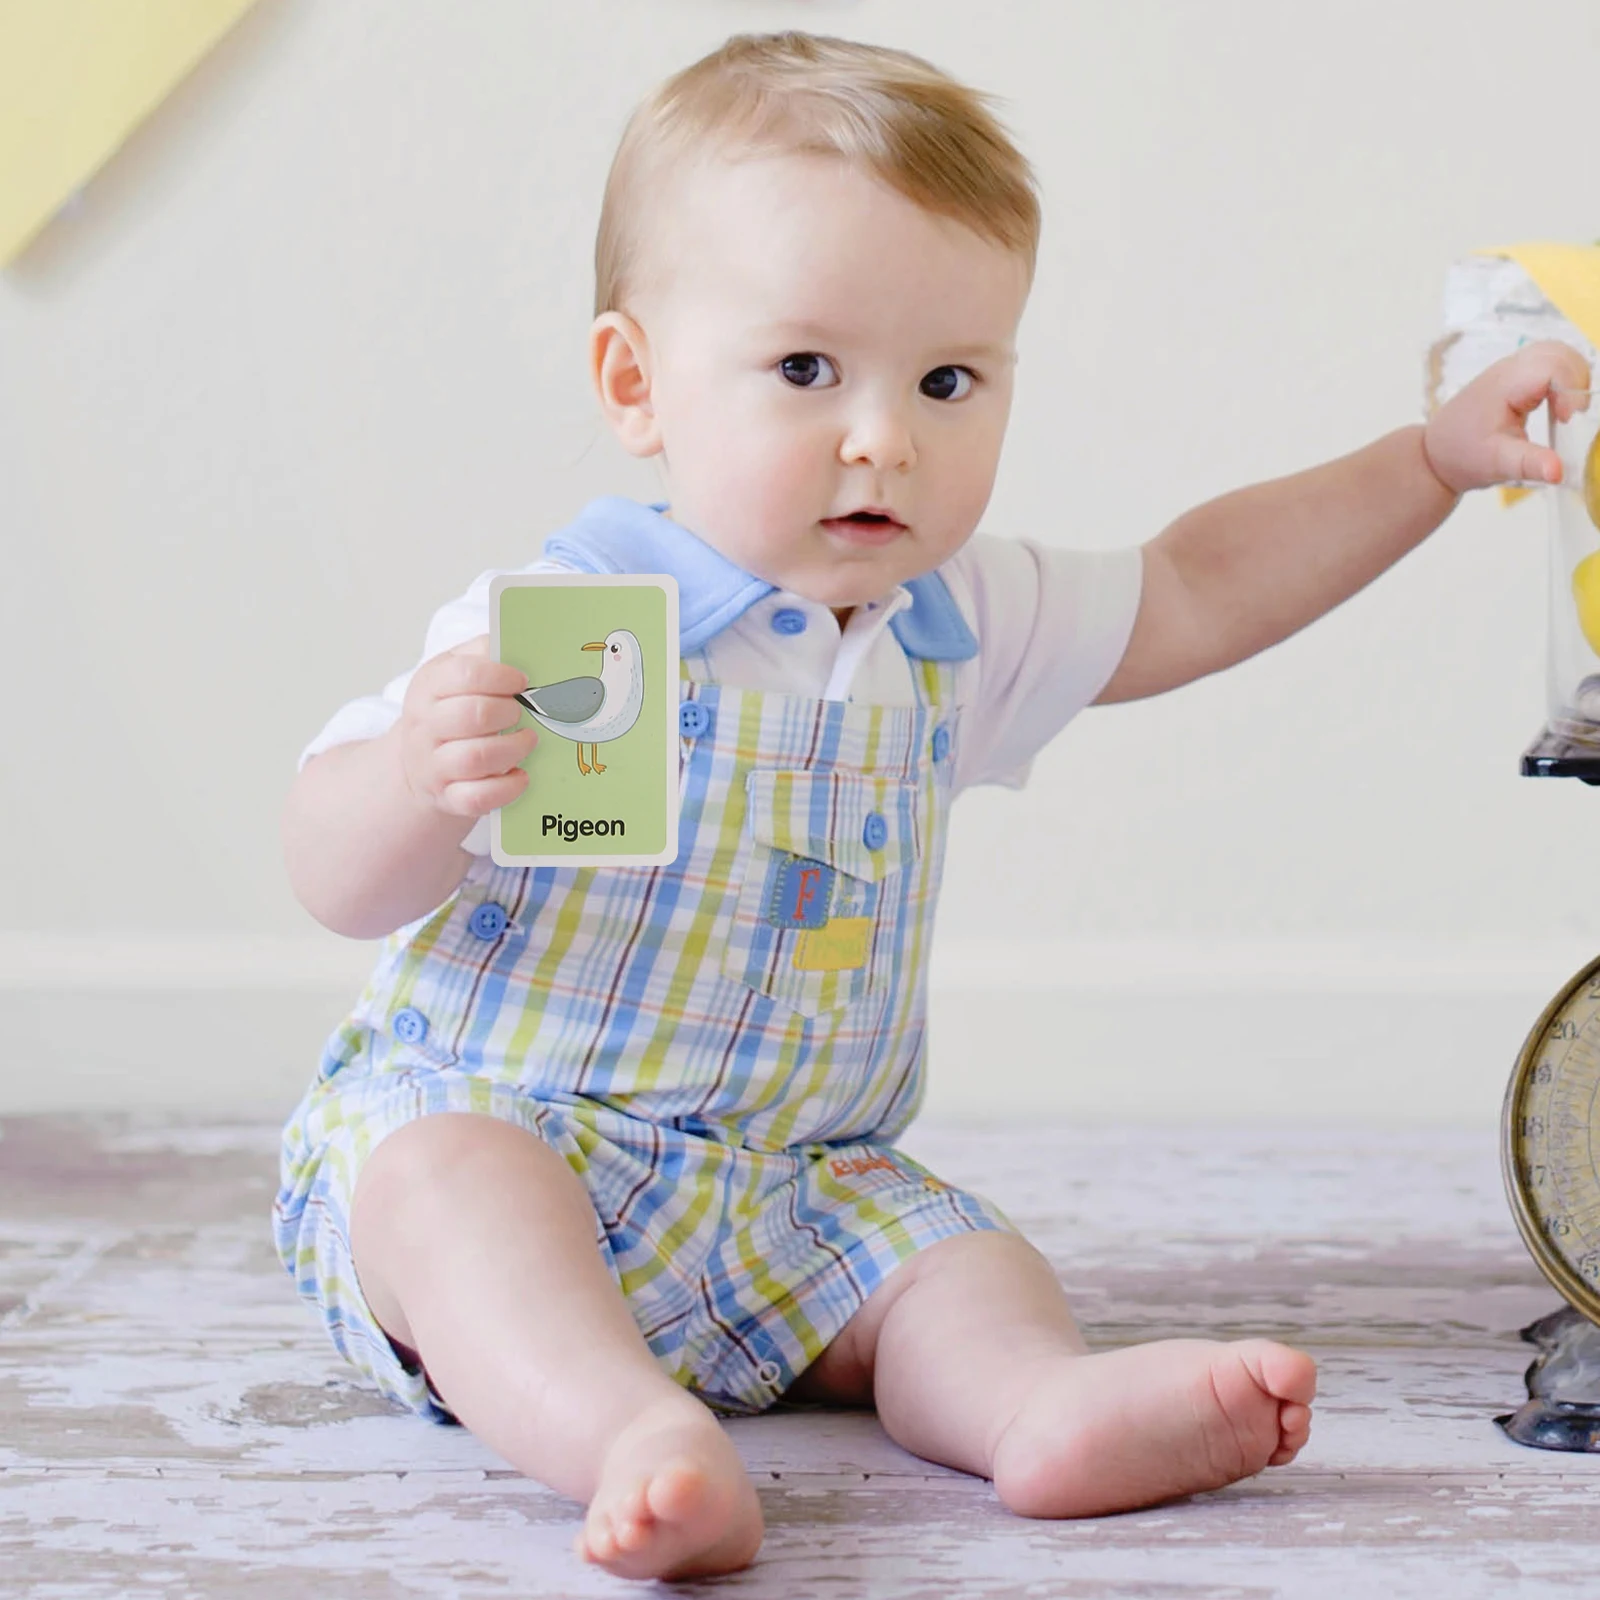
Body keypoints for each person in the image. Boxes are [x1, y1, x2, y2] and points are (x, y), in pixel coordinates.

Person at [273, 29, 1589, 1583]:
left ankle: (1034, 1408)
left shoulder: (947, 624)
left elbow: (1198, 582)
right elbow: (332, 873)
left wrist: (1429, 462)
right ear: (638, 382)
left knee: (953, 1261)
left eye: (948, 379)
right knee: (447, 1193)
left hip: (793, 1188)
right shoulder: (564, 621)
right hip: (519, 1132)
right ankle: (625, 1431)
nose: (884, 433)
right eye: (806, 370)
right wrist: (422, 786)